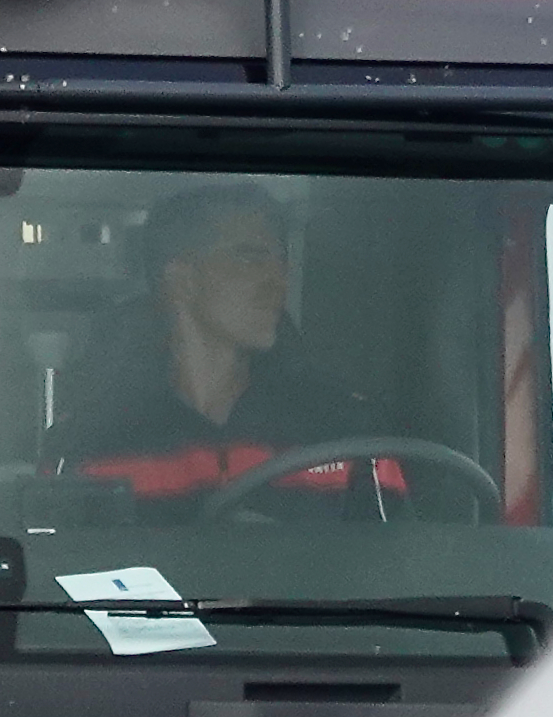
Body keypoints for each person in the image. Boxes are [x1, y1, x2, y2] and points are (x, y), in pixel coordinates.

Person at [59, 182, 374, 501]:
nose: (279, 281)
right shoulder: (95, 441)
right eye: (250, 259)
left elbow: (391, 529)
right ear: (182, 280)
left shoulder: (339, 426)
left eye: (282, 263)